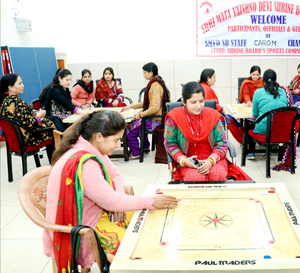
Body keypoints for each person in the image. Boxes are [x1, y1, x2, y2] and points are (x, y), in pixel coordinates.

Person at [43, 110, 179, 272]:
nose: (119, 145)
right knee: (135, 249)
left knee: (149, 219)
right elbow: (111, 202)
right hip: (83, 228)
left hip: (91, 214)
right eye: (116, 140)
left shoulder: (90, 148)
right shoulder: (86, 164)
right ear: (99, 137)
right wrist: (149, 200)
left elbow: (114, 174)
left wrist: (120, 199)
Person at [165, 81, 251, 182]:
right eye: (193, 102)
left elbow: (222, 143)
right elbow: (170, 144)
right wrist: (184, 160)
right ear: (184, 101)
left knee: (217, 176)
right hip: (188, 161)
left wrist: (211, 160)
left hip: (214, 159)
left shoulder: (213, 116)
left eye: (201, 101)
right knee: (196, 179)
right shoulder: (174, 118)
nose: (198, 106)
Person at [121, 62, 170, 160]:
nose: (143, 75)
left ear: (151, 73)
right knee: (136, 123)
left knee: (130, 128)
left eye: (145, 72)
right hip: (153, 117)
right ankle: (145, 146)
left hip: (155, 120)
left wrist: (141, 114)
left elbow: (155, 108)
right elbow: (147, 103)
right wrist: (131, 107)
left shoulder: (155, 86)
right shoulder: (155, 82)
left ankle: (136, 152)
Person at [0, 74, 56, 159]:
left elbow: (18, 116)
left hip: (16, 140)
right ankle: (54, 162)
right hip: (27, 138)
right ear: (10, 87)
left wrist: (30, 113)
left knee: (51, 121)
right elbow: (32, 124)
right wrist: (39, 116)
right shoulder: (16, 102)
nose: (23, 85)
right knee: (53, 128)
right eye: (20, 83)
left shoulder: (6, 100)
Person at [246, 69, 289, 160]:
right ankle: (269, 151)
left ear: (263, 80)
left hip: (264, 129)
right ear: (276, 79)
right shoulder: (284, 91)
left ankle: (251, 153)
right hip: (281, 129)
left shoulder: (258, 92)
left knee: (250, 125)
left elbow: (255, 114)